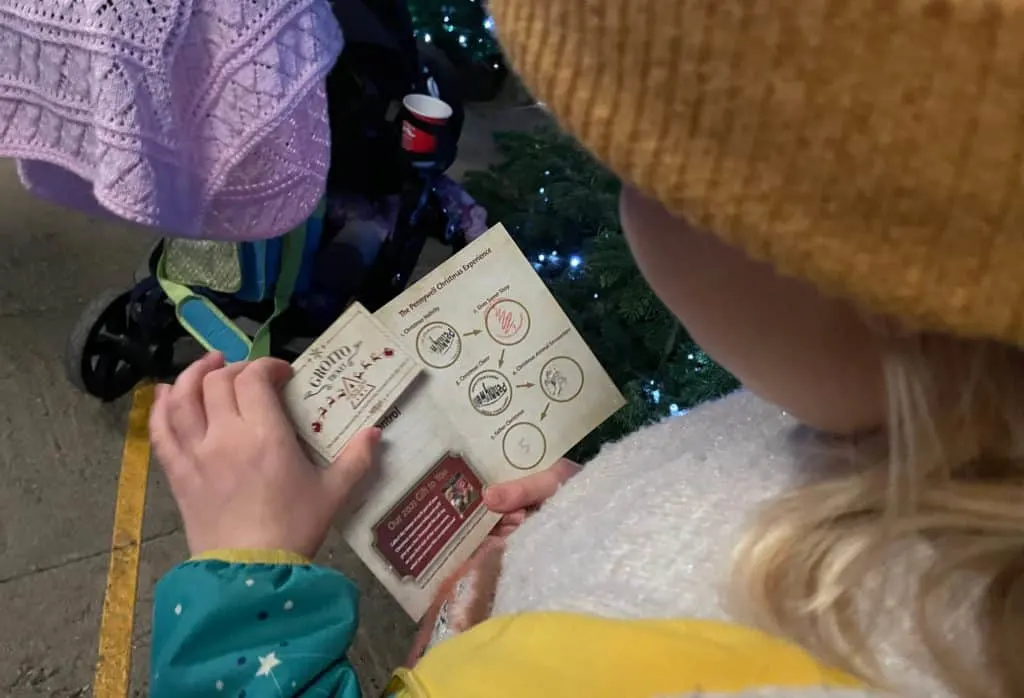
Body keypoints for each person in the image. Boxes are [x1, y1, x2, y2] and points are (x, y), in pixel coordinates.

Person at [148, 1, 1024, 697]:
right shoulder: (944, 447)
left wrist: (243, 584)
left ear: (860, 276)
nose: (621, 191)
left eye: (645, 171)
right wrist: (594, 540)